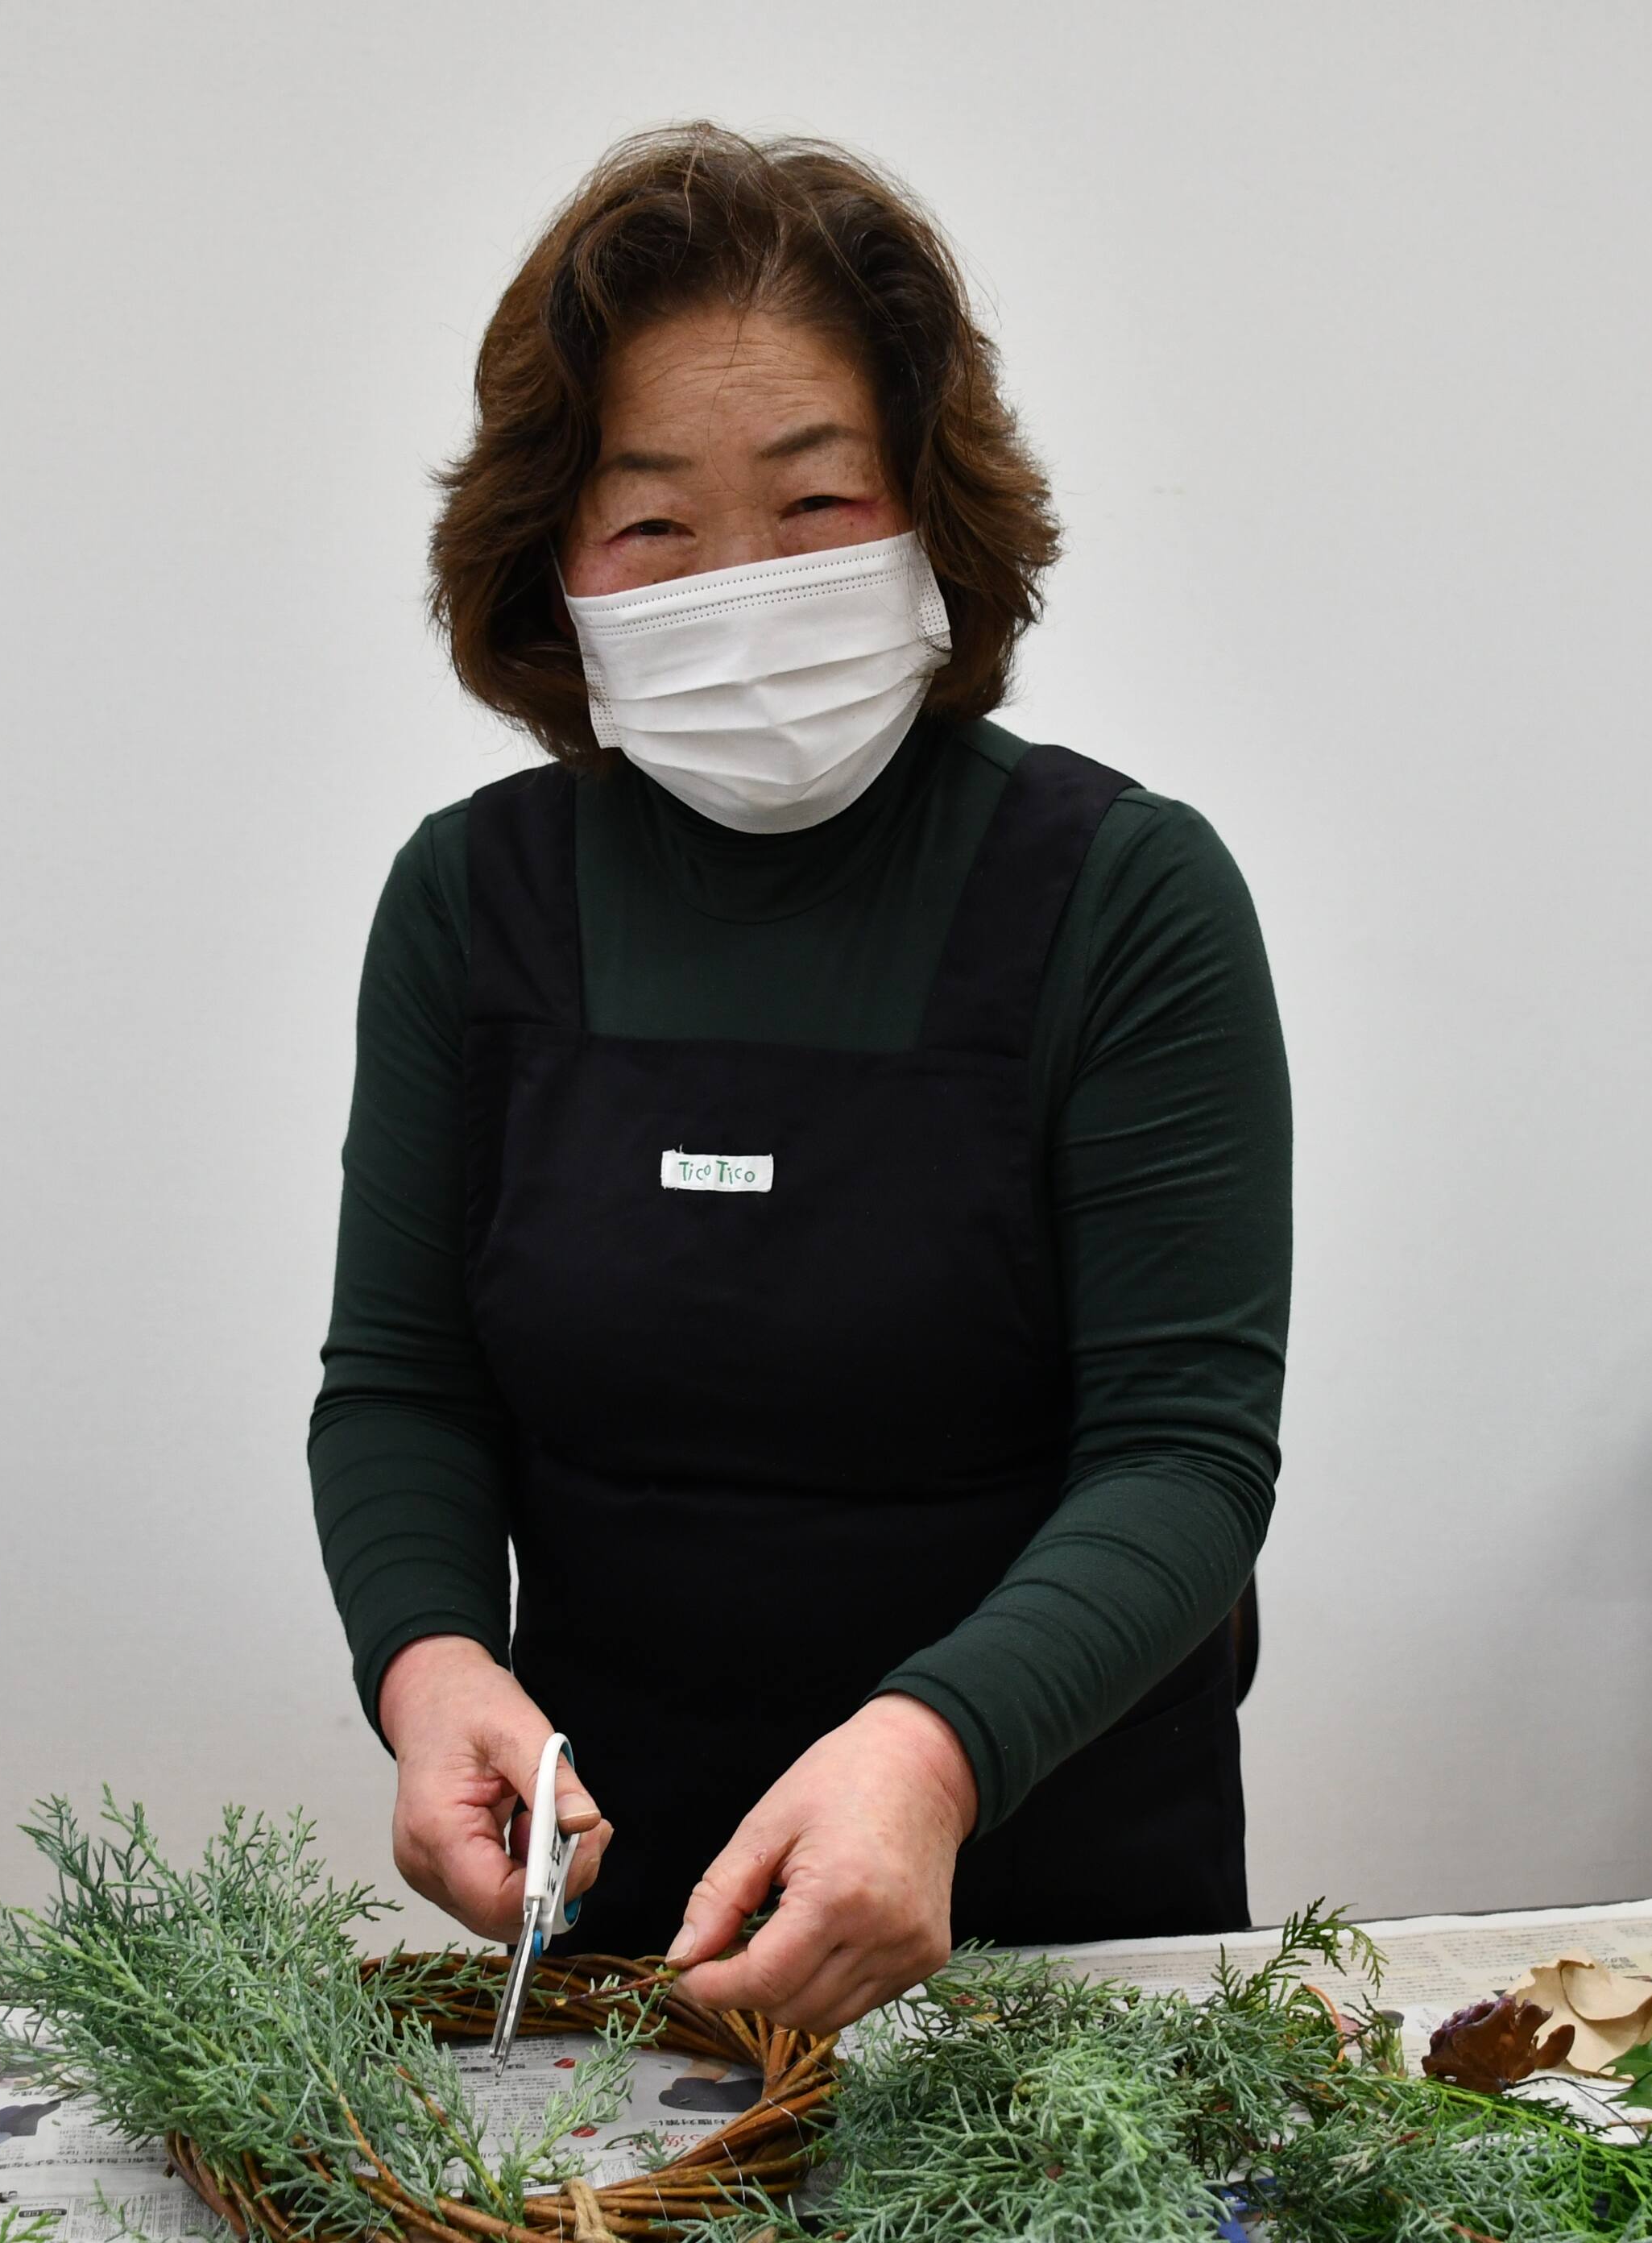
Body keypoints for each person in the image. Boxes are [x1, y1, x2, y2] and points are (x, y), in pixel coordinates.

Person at [309, 123, 1290, 2036]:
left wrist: (932, 1756)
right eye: (656, 524)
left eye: (818, 500)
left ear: (935, 512)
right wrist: (430, 1673)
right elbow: (403, 1387)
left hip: (1058, 1906)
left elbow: (1184, 1454)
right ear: (556, 566)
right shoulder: (470, 903)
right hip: (614, 1913)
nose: (738, 585)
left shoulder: (1126, 894)